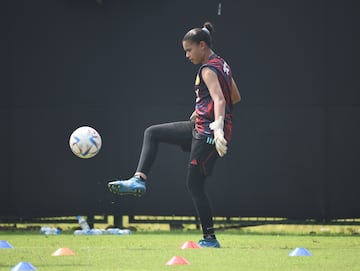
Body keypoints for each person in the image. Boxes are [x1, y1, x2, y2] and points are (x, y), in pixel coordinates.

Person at [108, 22, 241, 248]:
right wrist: (202, 109)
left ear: (202, 45)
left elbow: (220, 99)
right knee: (153, 132)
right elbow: (234, 96)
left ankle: (210, 239)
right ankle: (138, 180)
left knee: (194, 185)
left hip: (209, 131)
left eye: (189, 50)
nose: (187, 55)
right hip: (200, 125)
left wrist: (217, 127)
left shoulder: (208, 69)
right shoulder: (222, 64)